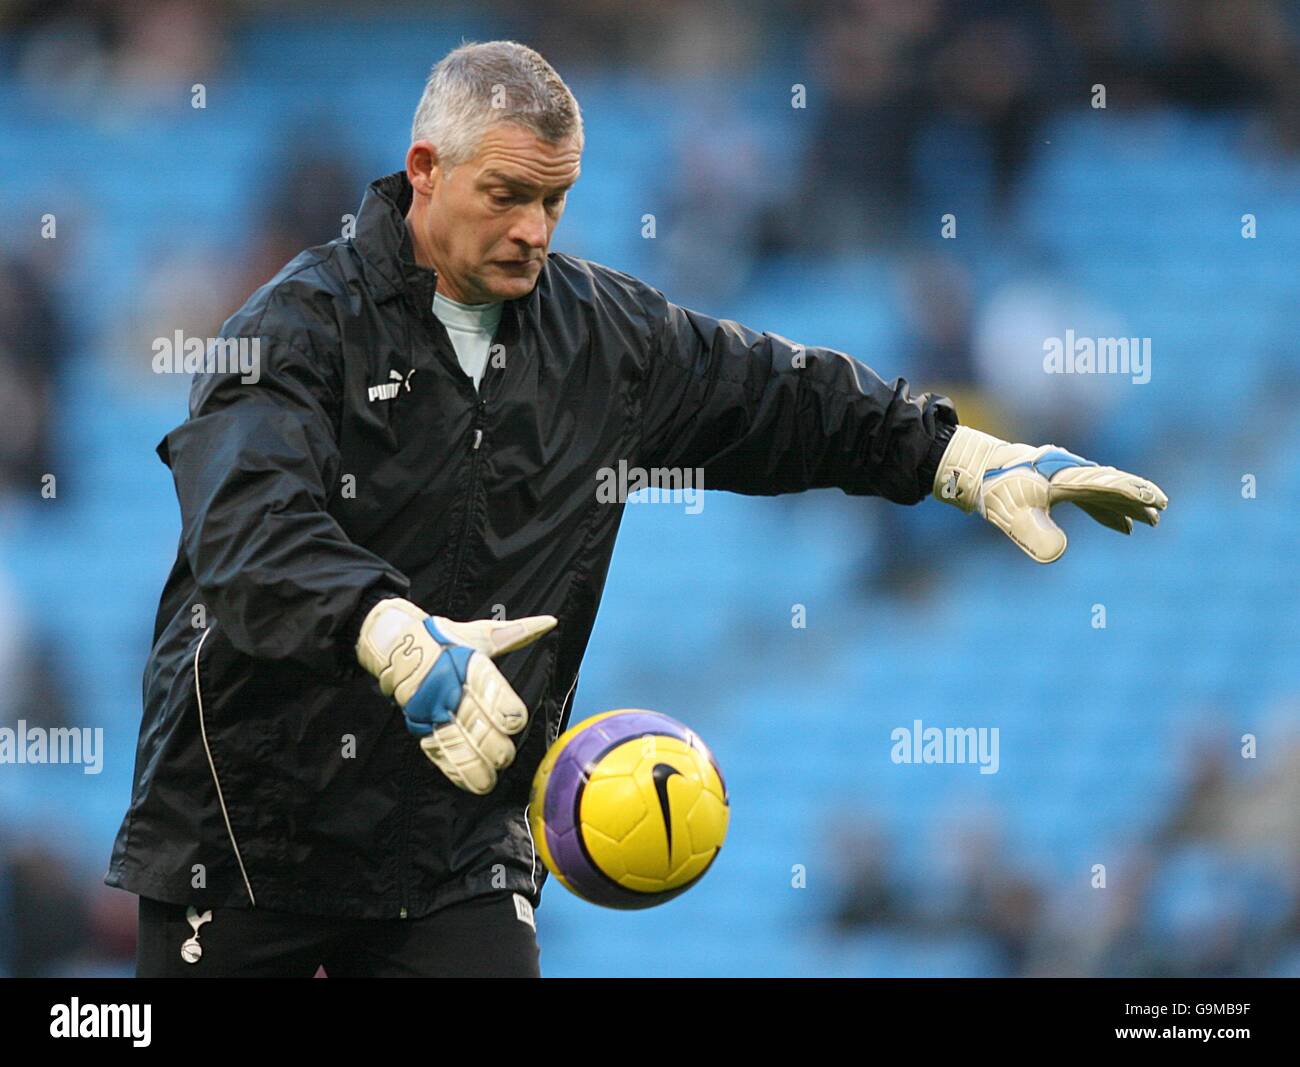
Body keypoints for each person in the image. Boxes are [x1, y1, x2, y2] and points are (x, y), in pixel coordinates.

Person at [105, 40, 1167, 978]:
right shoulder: (294, 326)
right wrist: (388, 633)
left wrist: (960, 457)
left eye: (555, 199)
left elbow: (780, 399)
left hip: (455, 850)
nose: (533, 229)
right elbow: (248, 526)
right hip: (246, 837)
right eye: (507, 193)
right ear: (424, 171)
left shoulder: (604, 337)